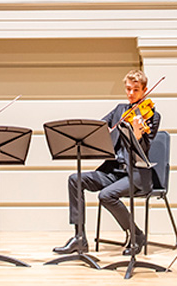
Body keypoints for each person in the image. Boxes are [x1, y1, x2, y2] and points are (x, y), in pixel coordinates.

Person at [53, 69, 160, 257]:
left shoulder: (151, 115)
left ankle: (137, 235)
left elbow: (143, 148)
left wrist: (137, 132)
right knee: (75, 179)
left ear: (144, 90)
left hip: (135, 174)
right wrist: (103, 132)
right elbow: (98, 129)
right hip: (112, 171)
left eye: (135, 90)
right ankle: (79, 238)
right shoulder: (120, 110)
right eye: (128, 89)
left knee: (106, 195)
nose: (130, 94)